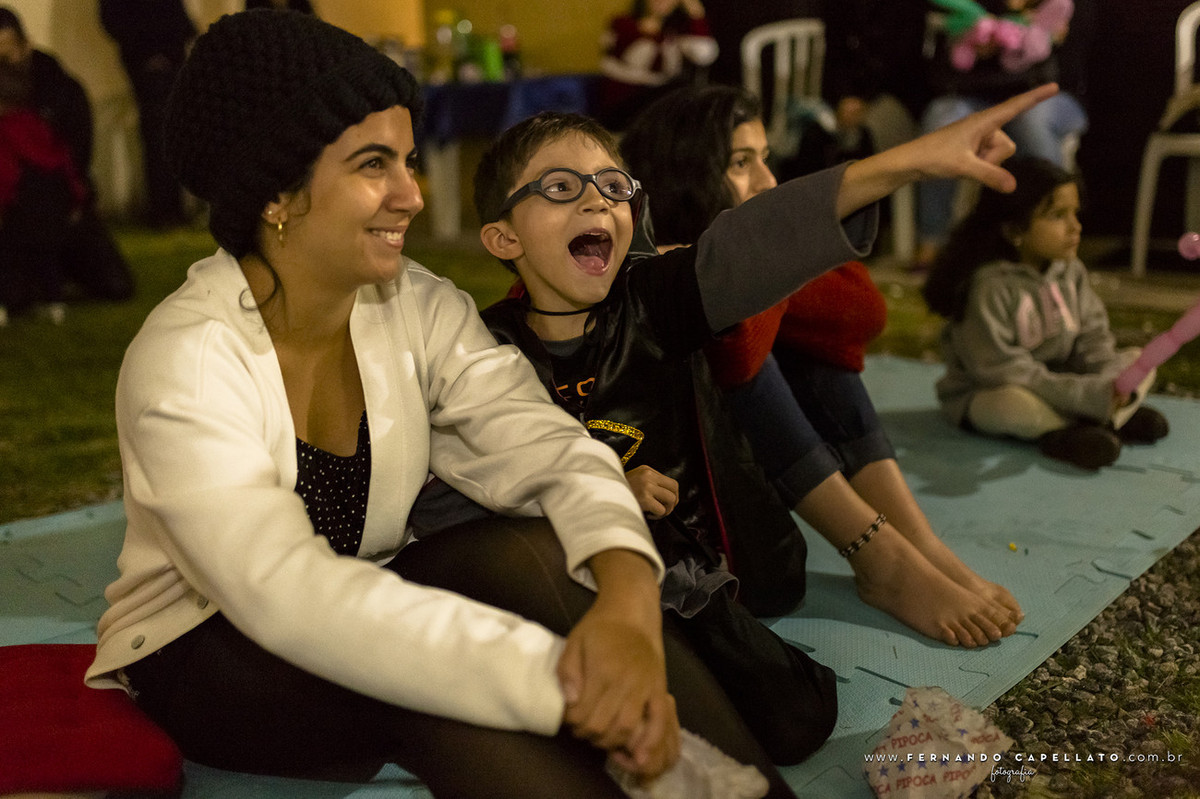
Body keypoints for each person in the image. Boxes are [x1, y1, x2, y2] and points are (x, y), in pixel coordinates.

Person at [83, 11, 800, 798]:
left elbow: (542, 443)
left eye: (409, 160)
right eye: (372, 165)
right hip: (212, 643)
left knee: (534, 548)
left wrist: (629, 594)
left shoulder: (414, 305)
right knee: (439, 691)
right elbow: (287, 594)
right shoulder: (186, 360)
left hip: (367, 587)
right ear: (277, 193)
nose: (412, 196)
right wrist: (562, 679)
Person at [470, 86, 1058, 665]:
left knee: (794, 704)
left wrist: (907, 164)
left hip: (736, 547)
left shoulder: (653, 286)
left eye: (612, 187)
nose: (596, 201)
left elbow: (851, 310)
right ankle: (882, 554)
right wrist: (600, 482)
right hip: (632, 560)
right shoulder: (498, 346)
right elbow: (488, 470)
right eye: (561, 188)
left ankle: (913, 545)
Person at [620, 84, 1023, 648]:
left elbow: (860, 317)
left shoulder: (730, 242)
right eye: (741, 163)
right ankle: (880, 557)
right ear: (685, 172)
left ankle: (917, 543)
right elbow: (737, 358)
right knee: (746, 354)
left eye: (766, 158)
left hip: (745, 448)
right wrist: (778, 262)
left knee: (811, 353)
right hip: (681, 481)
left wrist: (778, 267)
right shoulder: (647, 260)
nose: (766, 182)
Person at [922, 157, 1169, 469]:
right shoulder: (988, 287)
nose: (1075, 227)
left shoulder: (1071, 272)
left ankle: (1103, 419)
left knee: (1139, 361)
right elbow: (1006, 372)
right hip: (995, 392)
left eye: (1075, 213)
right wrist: (1086, 395)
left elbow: (1094, 340)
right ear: (1014, 230)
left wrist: (1111, 383)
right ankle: (1077, 429)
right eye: (1057, 216)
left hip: (1065, 385)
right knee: (1014, 405)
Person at [914, 0, 1093, 269]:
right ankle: (933, 242)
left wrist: (1037, 36)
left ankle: (1053, 241)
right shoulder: (971, 8)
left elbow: (1075, 59)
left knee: (1031, 123)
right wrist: (978, 37)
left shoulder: (1064, 6)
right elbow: (938, 56)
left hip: (1049, 93)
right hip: (973, 93)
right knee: (942, 121)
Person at [0, 6, 134, 325]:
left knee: (114, 284)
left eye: (8, 56)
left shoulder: (60, 90)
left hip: (57, 206)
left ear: (25, 46)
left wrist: (73, 201)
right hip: (10, 212)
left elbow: (76, 159)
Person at [99, 0, 195, 228]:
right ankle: (166, 210)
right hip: (152, 54)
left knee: (165, 132)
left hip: (158, 53)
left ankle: (169, 209)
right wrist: (150, 53)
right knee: (159, 132)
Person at [596, 0, 718, 131]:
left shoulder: (677, 30)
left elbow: (704, 55)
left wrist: (696, 15)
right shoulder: (624, 23)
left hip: (661, 99)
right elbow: (609, 62)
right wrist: (643, 33)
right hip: (624, 99)